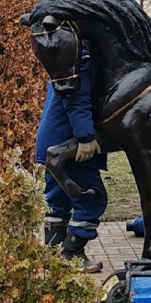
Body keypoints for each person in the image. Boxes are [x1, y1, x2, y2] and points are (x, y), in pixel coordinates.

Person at [36, 42, 106, 273]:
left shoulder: (66, 53)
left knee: (57, 200)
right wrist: (85, 137)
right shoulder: (82, 55)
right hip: (70, 145)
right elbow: (77, 99)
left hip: (52, 142)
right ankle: (72, 254)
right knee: (90, 197)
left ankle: (53, 254)